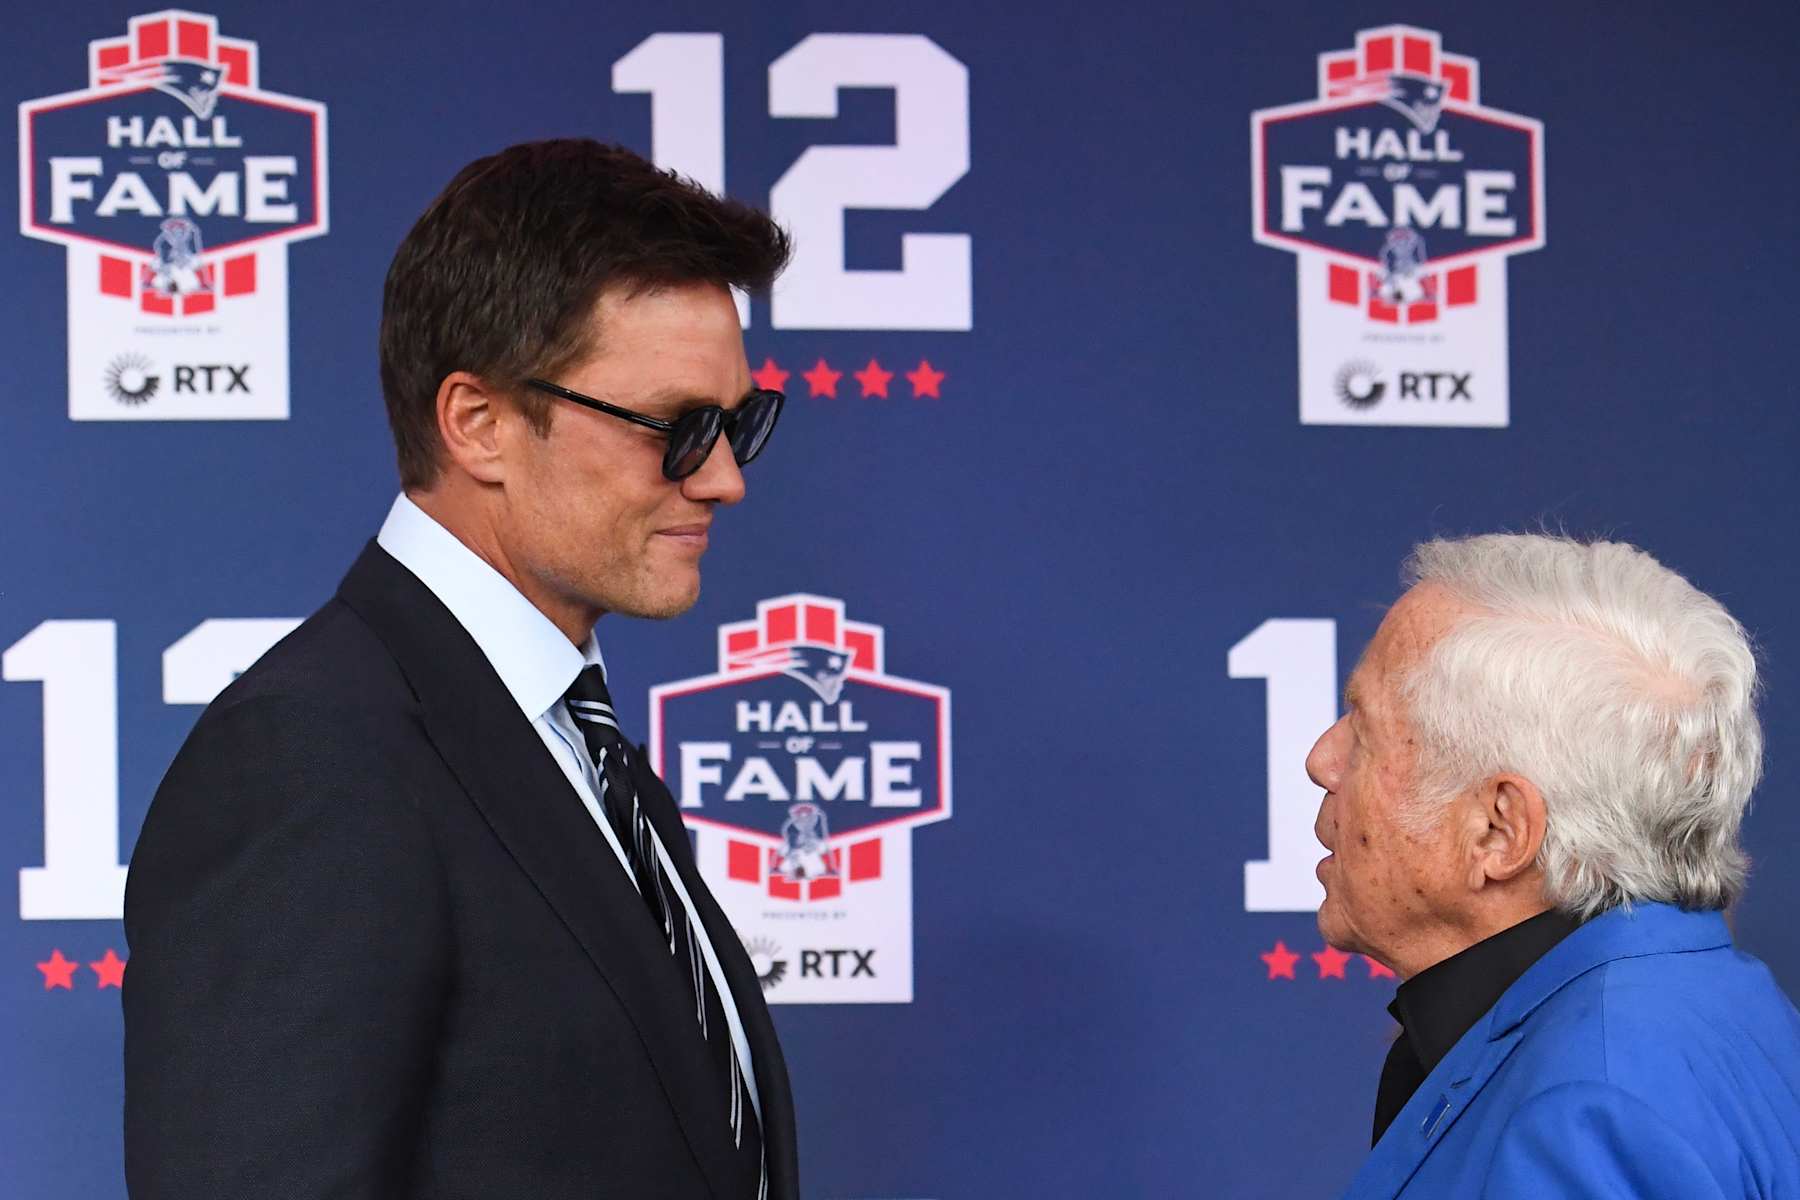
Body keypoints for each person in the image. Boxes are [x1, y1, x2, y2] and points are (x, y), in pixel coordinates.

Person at [122, 139, 798, 1200]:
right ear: (478, 425)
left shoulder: (576, 744)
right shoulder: (316, 757)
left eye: (738, 424)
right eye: (676, 428)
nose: (721, 481)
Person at [1309, 533, 1800, 1199]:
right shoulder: (1709, 1002)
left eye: (1362, 731)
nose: (1322, 760)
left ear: (1497, 831)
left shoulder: (1588, 1108)